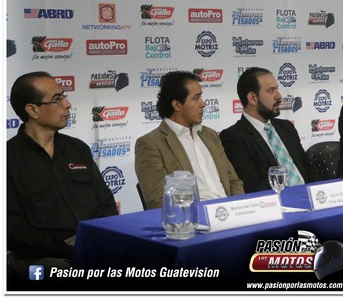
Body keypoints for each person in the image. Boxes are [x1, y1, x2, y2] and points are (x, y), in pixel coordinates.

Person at [7, 71, 118, 277]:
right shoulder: (8, 158)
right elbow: (14, 230)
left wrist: (104, 240)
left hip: (91, 243)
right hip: (41, 256)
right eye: (57, 99)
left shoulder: (78, 149)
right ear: (33, 110)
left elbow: (105, 203)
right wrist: (71, 251)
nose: (67, 104)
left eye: (64, 96)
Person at [135, 71, 244, 209]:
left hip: (231, 212)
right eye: (196, 98)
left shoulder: (210, 135)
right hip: (194, 217)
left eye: (201, 97)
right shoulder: (150, 144)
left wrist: (239, 209)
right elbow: (158, 201)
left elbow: (233, 181)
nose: (203, 103)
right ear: (176, 105)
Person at [220, 67, 315, 192]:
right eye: (271, 91)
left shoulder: (286, 127)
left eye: (277, 89)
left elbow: (309, 170)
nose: (279, 96)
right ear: (253, 98)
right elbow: (252, 186)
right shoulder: (234, 137)